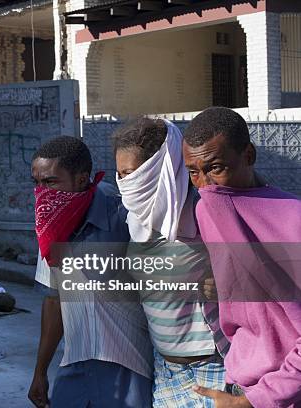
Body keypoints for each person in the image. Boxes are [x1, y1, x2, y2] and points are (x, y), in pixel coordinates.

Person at [182, 107, 301, 407]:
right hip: (237, 382)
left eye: (216, 167)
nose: (205, 185)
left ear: (248, 155)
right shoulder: (206, 211)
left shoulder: (294, 218)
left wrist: (255, 400)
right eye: (193, 172)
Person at [28, 136, 153, 408]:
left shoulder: (124, 216)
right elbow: (54, 299)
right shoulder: (49, 225)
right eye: (36, 183)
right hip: (75, 366)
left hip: (129, 366)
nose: (42, 192)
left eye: (50, 182)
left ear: (82, 178)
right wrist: (40, 370)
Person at [113, 118, 228, 408]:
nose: (126, 184)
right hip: (166, 372)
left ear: (158, 171)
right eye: (120, 174)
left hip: (215, 370)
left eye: (131, 174)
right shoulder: (133, 220)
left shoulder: (205, 212)